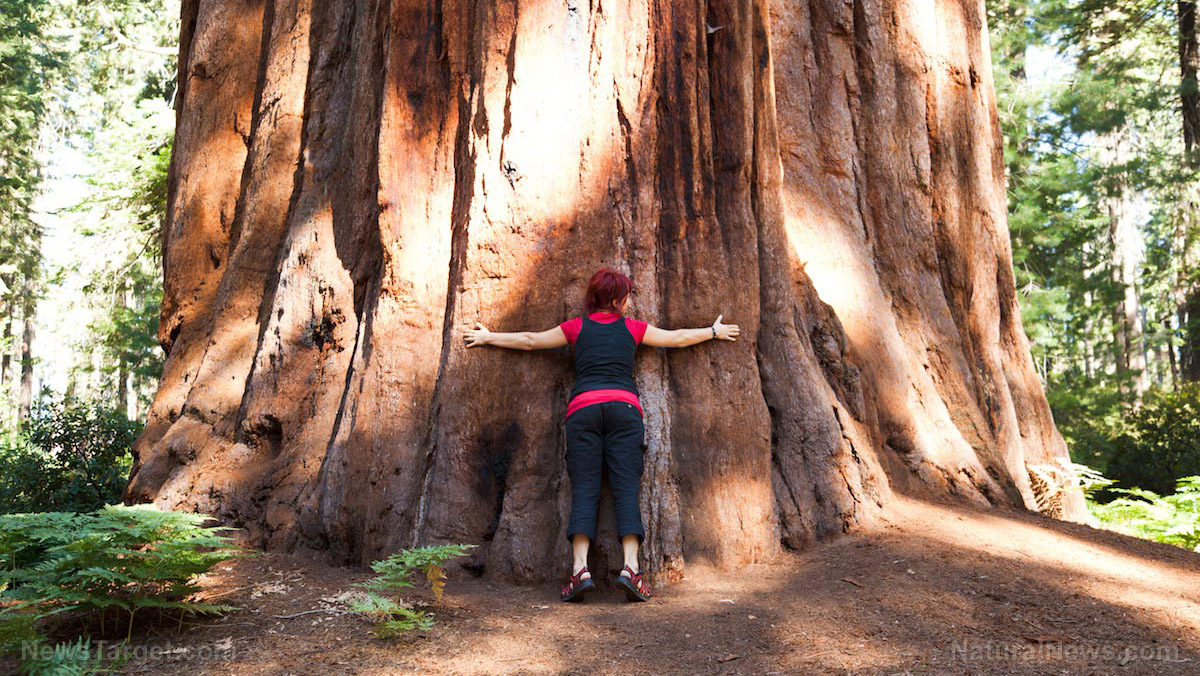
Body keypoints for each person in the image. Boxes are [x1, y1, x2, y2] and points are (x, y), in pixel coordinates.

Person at [462, 268, 740, 602]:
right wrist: (713, 331)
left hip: (584, 412)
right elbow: (677, 338)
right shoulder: (633, 329)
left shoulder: (576, 328)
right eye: (627, 295)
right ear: (617, 299)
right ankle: (631, 569)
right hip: (624, 411)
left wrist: (489, 337)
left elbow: (531, 341)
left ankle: (580, 570)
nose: (629, 300)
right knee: (626, 489)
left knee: (585, 489)